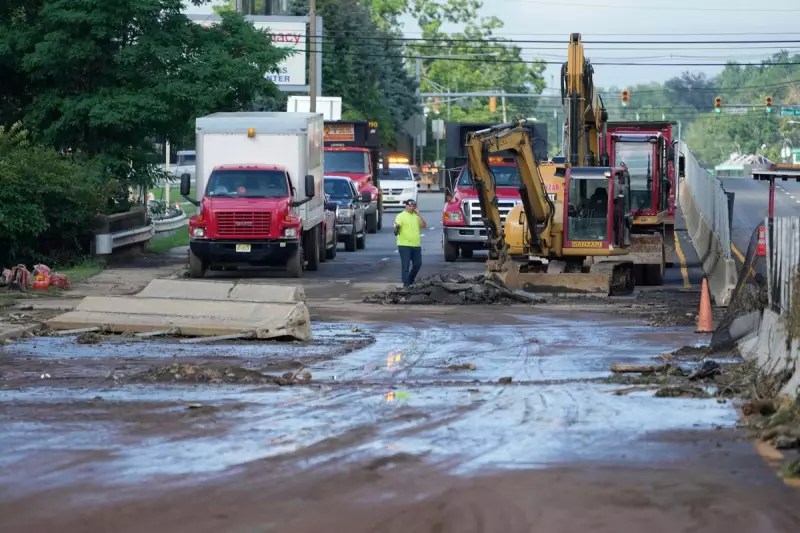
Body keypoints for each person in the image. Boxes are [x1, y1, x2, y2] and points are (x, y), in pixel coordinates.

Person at [394, 198, 427, 287]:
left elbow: (424, 225)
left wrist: (419, 215)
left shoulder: (416, 216)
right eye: (410, 206)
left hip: (416, 245)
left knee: (418, 264)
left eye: (413, 206)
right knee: (406, 265)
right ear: (406, 206)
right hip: (404, 245)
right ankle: (406, 284)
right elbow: (397, 226)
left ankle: (410, 279)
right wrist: (396, 228)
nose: (412, 208)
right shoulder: (401, 216)